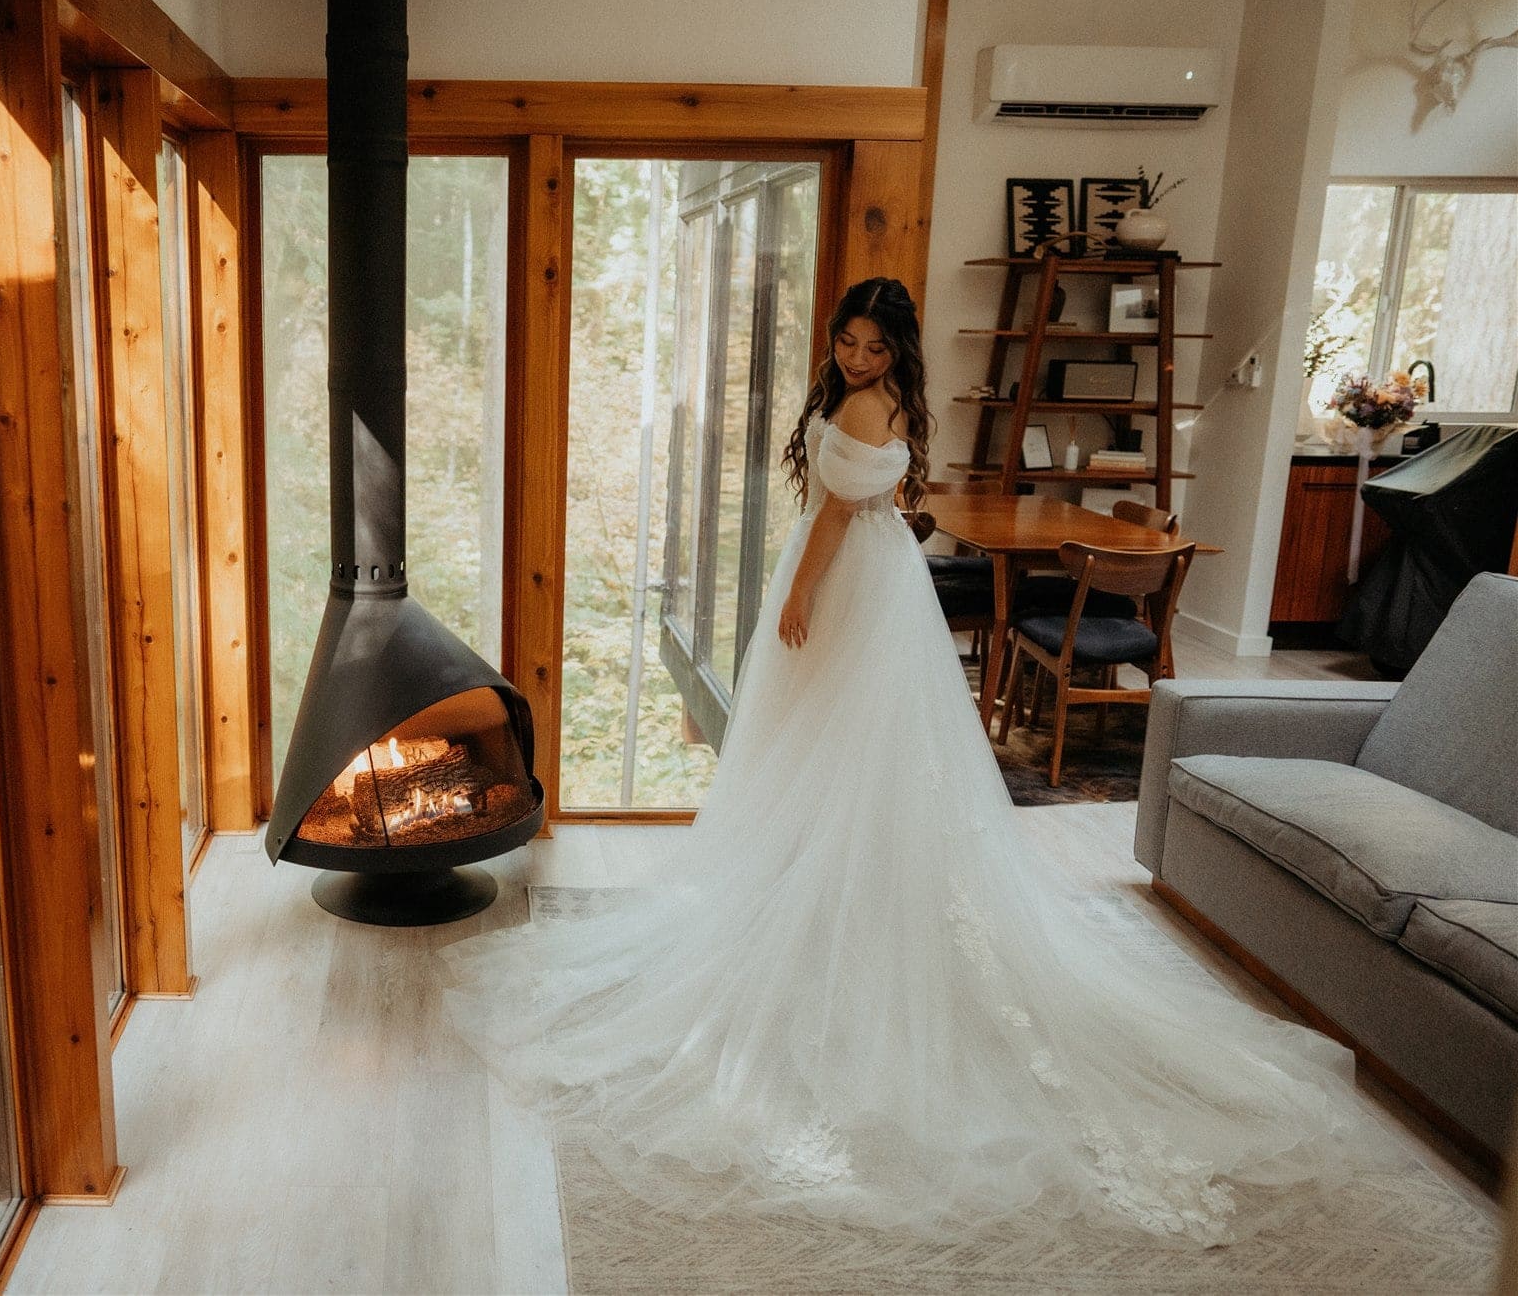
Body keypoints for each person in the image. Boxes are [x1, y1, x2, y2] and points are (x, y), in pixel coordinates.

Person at [441, 277, 1385, 1246]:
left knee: (822, 745)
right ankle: (837, 896)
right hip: (885, 582)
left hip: (848, 581)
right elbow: (871, 501)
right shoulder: (887, 400)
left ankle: (819, 908)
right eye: (845, 341)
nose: (854, 358)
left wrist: (795, 600)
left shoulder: (856, 403)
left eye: (870, 347)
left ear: (893, 354)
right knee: (851, 756)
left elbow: (832, 518)